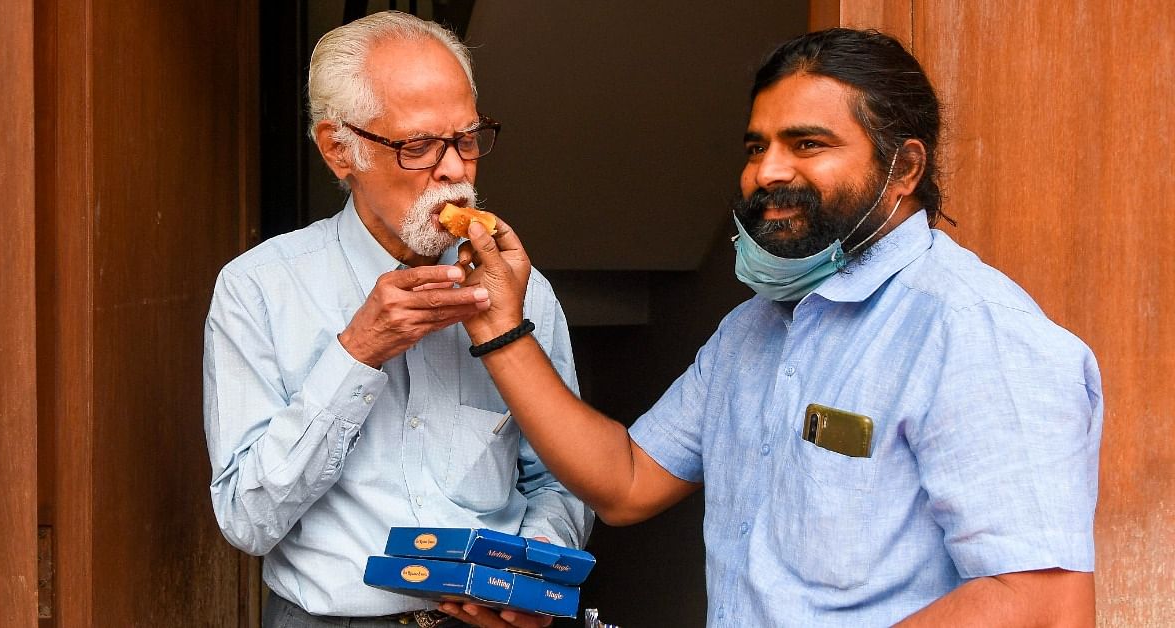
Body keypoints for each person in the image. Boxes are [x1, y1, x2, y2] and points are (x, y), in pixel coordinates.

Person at [440, 28, 1102, 627]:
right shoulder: (750, 332)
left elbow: (1040, 603)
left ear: (904, 169)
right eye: (757, 147)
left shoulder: (976, 332)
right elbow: (627, 480)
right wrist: (501, 327)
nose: (768, 172)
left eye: (807, 144)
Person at [202, 11, 591, 628]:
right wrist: (358, 351)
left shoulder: (523, 292)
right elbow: (247, 520)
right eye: (419, 147)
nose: (456, 171)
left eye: (467, 139)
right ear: (339, 150)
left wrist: (535, 568)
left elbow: (564, 478)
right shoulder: (259, 290)